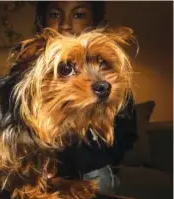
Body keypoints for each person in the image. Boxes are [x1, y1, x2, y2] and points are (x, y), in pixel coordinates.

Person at [34, 1, 137, 195]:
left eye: (78, 15)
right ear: (42, 21)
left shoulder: (109, 79)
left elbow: (126, 136)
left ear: (96, 23)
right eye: (55, 15)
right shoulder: (29, 73)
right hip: (38, 164)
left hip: (91, 165)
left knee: (100, 183)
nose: (65, 24)